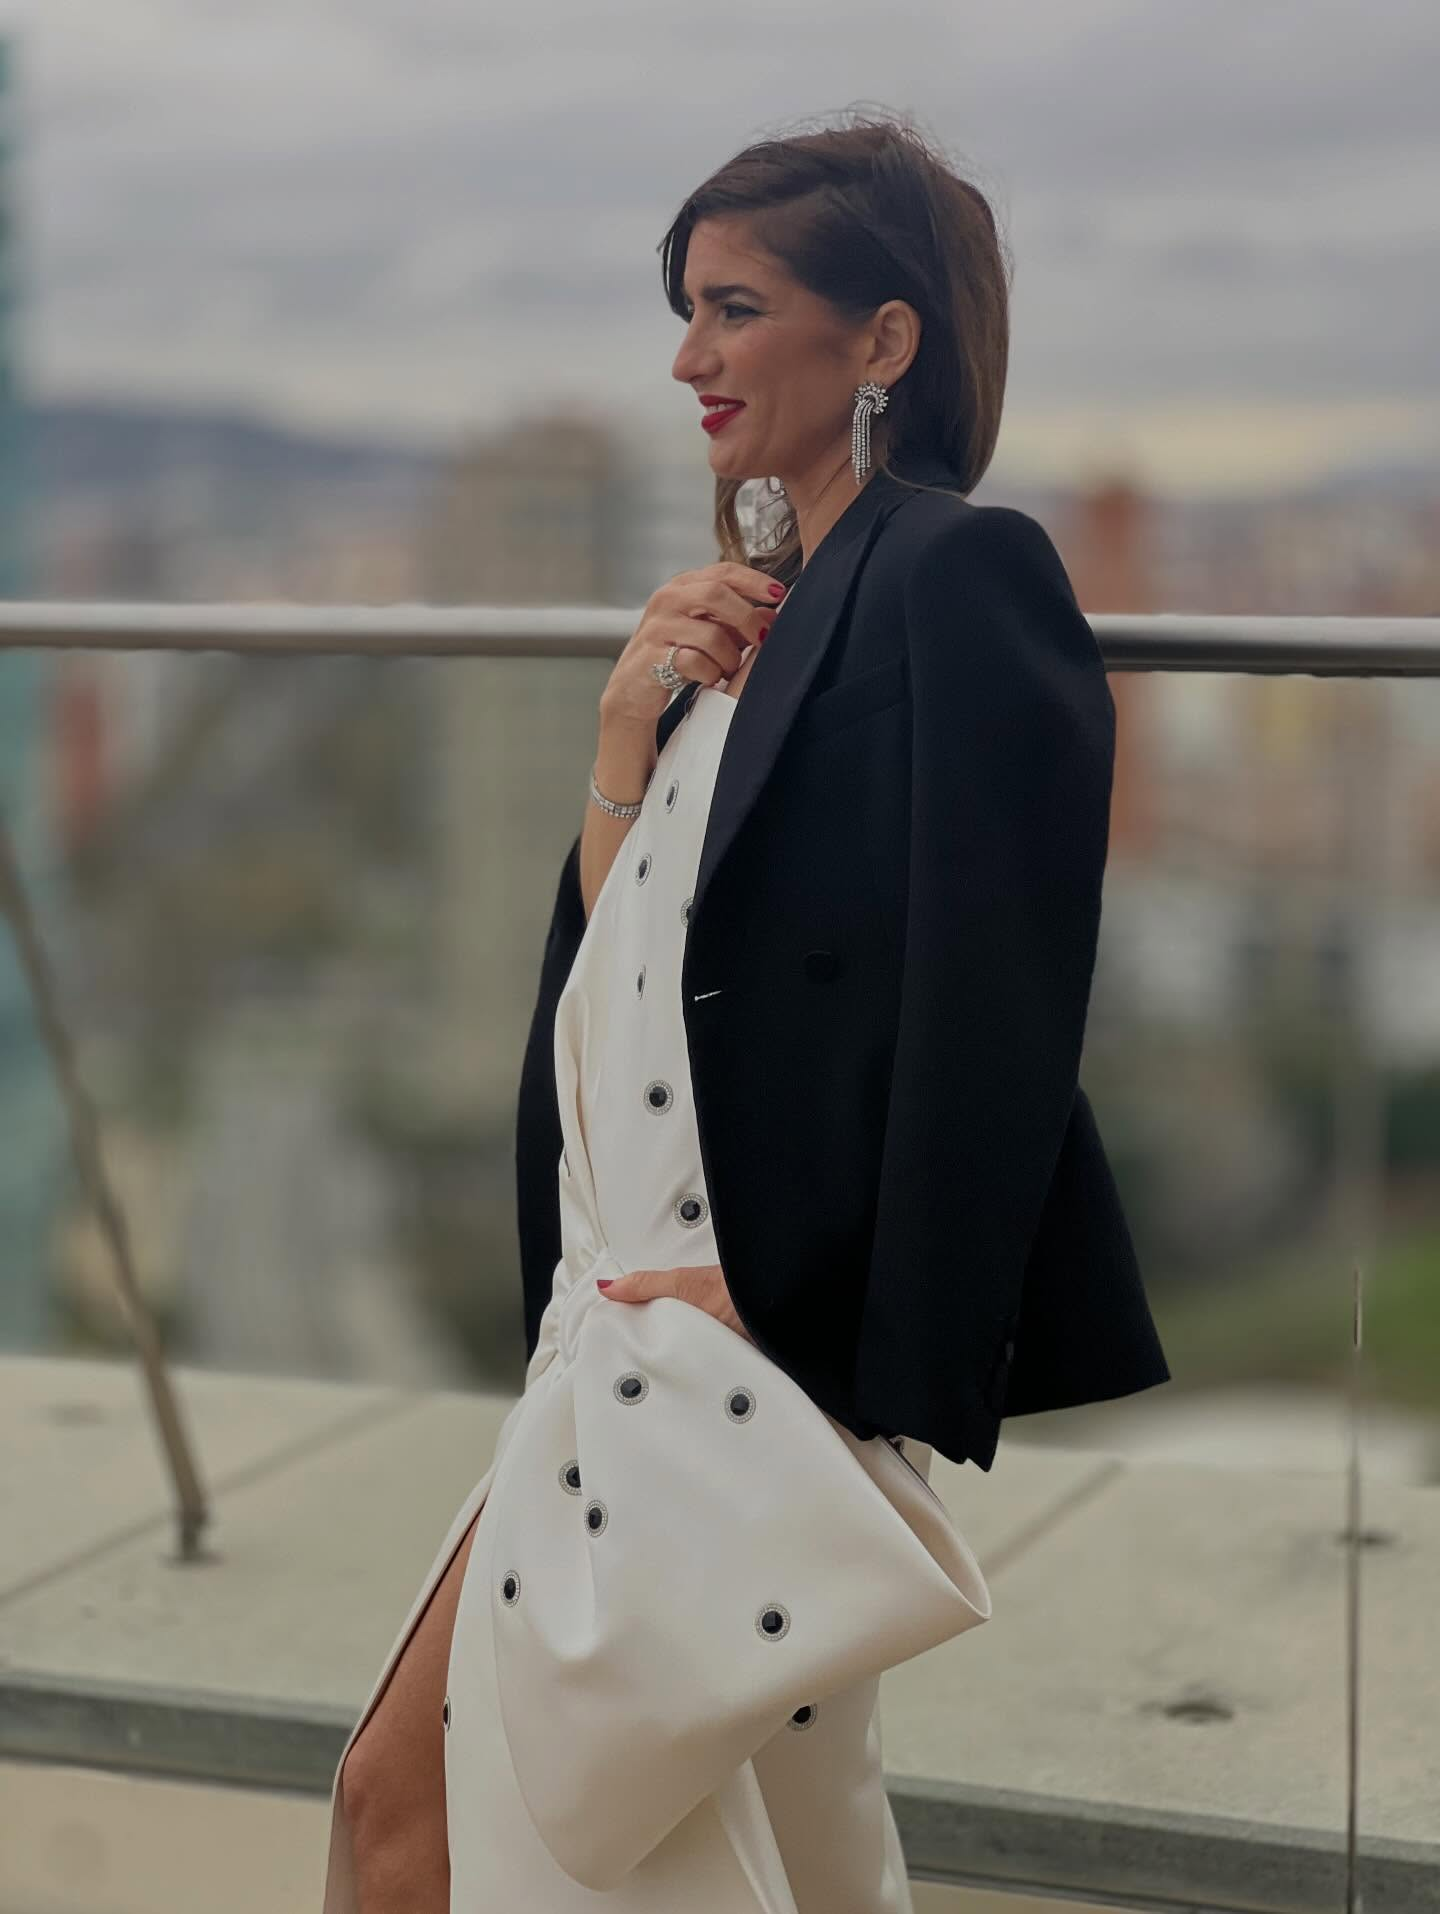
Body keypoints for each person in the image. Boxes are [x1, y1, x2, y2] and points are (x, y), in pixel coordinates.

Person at [321, 109, 1169, 1914]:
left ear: (884, 340)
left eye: (734, 308)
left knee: (409, 1810)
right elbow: (622, 957)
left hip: (739, 1363)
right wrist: (623, 737)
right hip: (611, 1331)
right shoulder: (751, 611)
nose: (688, 359)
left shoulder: (954, 575)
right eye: (685, 311)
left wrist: (824, 1324)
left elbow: (1001, 1007)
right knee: (743, 1854)